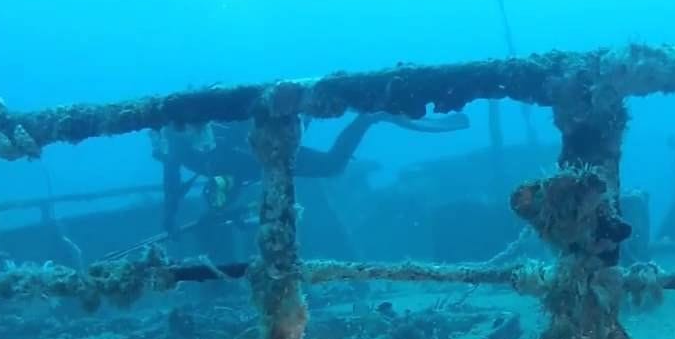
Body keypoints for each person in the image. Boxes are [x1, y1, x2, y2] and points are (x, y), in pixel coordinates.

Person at [152, 112, 470, 234]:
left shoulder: (203, 146)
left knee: (333, 166)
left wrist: (173, 212)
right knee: (333, 167)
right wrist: (170, 216)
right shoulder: (185, 155)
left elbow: (180, 167)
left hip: (268, 146)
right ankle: (370, 118)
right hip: (258, 161)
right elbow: (172, 175)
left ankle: (371, 117)